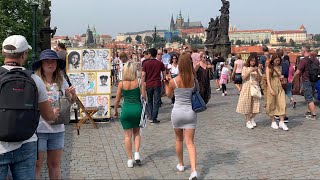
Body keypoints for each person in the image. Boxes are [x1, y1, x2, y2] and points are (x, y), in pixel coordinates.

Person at [0, 35, 60, 179]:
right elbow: (47, 115)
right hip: (26, 143)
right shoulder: (34, 79)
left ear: (3, 53)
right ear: (24, 54)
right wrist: (55, 113)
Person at [32, 49, 76, 180]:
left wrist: (72, 95)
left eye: (53, 61)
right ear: (41, 64)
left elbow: (72, 100)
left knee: (55, 164)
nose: (50, 64)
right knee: (37, 164)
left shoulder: (61, 80)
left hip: (57, 128)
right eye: (47, 61)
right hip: (39, 128)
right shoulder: (35, 80)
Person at [164, 53, 198, 180]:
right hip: (190, 112)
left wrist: (166, 83)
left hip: (177, 112)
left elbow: (169, 95)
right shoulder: (193, 80)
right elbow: (198, 92)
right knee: (190, 142)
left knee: (179, 139)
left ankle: (181, 164)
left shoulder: (174, 81)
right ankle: (194, 170)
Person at [114, 62, 145, 168]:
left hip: (126, 110)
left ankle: (130, 160)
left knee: (127, 135)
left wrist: (115, 110)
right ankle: (136, 153)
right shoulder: (139, 81)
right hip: (137, 109)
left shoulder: (121, 84)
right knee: (137, 133)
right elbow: (144, 97)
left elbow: (117, 99)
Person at [293, 46, 319, 120]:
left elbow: (298, 71)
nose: (301, 52)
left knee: (309, 98)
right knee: (310, 95)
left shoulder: (303, 60)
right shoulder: (316, 60)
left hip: (307, 80)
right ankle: (309, 111)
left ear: (304, 51)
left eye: (301, 51)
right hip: (314, 80)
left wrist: (293, 78)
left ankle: (313, 115)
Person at [236, 55, 261, 129]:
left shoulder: (257, 68)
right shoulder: (245, 68)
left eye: (254, 61)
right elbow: (243, 78)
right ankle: (247, 121)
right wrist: (249, 71)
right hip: (247, 87)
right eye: (251, 60)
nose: (253, 62)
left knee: (256, 105)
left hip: (255, 87)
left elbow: (260, 78)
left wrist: (257, 71)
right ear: (249, 61)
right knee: (246, 104)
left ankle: (252, 118)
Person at [141, 48, 165, 124]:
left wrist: (143, 83)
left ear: (150, 54)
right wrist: (163, 80)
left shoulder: (145, 63)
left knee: (150, 101)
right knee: (156, 102)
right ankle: (154, 117)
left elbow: (143, 75)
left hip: (148, 84)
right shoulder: (160, 63)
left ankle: (151, 116)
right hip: (157, 84)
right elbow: (164, 73)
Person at [266, 54, 288, 131]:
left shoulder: (280, 67)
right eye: (276, 60)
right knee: (272, 104)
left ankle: (282, 122)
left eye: (279, 60)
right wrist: (270, 89)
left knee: (283, 103)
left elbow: (281, 76)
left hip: (280, 87)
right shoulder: (269, 67)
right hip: (272, 87)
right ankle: (273, 121)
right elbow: (268, 79)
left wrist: (281, 77)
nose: (278, 62)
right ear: (273, 60)